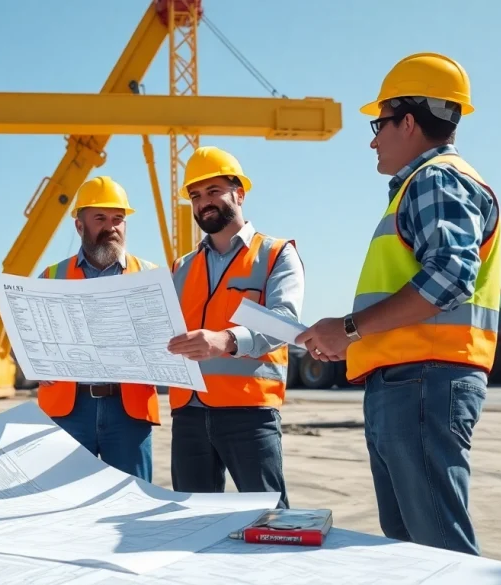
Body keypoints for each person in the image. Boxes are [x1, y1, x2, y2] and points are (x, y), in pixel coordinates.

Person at [295, 52, 500, 556]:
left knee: (437, 554)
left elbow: (450, 276)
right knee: (411, 552)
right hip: (412, 381)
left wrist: (349, 328)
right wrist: (353, 339)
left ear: (408, 122)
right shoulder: (424, 185)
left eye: (379, 123)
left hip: (422, 383)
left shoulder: (435, 179)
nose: (373, 139)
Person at [164, 146, 305, 508]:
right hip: (188, 412)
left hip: (249, 411)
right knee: (192, 522)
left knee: (270, 520)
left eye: (213, 191)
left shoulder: (275, 254)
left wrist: (226, 339)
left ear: (239, 194)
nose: (203, 203)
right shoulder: (181, 266)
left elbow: (284, 321)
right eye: (196, 196)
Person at [35, 176, 161, 483]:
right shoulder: (51, 277)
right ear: (79, 226)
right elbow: (26, 341)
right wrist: (34, 359)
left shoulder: (152, 276)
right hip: (69, 411)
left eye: (118, 219)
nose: (111, 227)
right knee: (65, 500)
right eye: (100, 218)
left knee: (132, 502)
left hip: (128, 411)